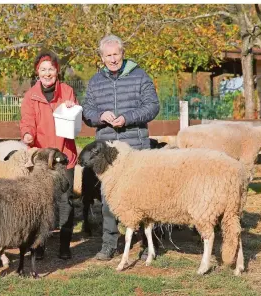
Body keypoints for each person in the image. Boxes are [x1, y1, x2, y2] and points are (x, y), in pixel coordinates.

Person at [82, 34, 160, 261]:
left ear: (123, 53)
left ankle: (148, 243)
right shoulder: (96, 81)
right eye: (108, 55)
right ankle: (109, 244)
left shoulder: (140, 76)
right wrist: (99, 116)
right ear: (102, 57)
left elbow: (153, 107)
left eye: (116, 54)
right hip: (108, 149)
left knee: (144, 195)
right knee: (109, 197)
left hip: (135, 146)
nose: (113, 59)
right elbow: (87, 111)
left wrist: (128, 117)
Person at [20, 51, 78, 260]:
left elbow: (74, 122)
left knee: (65, 200)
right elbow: (27, 121)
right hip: (42, 158)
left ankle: (64, 245)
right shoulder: (31, 96)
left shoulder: (68, 92)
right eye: (43, 69)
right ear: (38, 72)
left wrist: (72, 109)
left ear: (57, 71)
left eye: (50, 69)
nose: (47, 73)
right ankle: (40, 244)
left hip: (64, 155)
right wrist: (27, 134)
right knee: (42, 202)